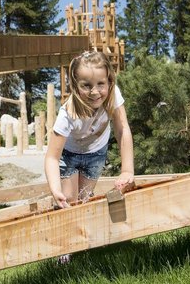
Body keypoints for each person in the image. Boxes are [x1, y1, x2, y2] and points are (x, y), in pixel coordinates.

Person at [45, 50, 134, 209]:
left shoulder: (113, 95)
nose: (94, 92)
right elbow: (52, 157)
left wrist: (127, 170)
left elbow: (122, 129)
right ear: (75, 85)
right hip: (69, 154)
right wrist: (55, 189)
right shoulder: (68, 113)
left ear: (109, 81)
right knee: (69, 199)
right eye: (86, 85)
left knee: (84, 198)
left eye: (101, 84)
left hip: (96, 152)